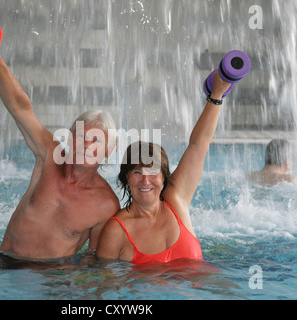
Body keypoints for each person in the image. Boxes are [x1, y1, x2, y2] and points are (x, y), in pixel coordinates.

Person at [0, 45, 120, 260]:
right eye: (81, 136)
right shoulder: (49, 155)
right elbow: (20, 109)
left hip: (54, 279)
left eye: (96, 141)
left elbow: (95, 259)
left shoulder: (106, 204)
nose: (86, 145)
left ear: (108, 151)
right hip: (6, 265)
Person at [97, 71, 231, 264]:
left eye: (153, 172)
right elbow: (105, 286)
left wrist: (216, 96)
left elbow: (198, 145)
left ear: (163, 177)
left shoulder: (176, 200)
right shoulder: (116, 231)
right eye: (137, 172)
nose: (145, 180)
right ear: (126, 178)